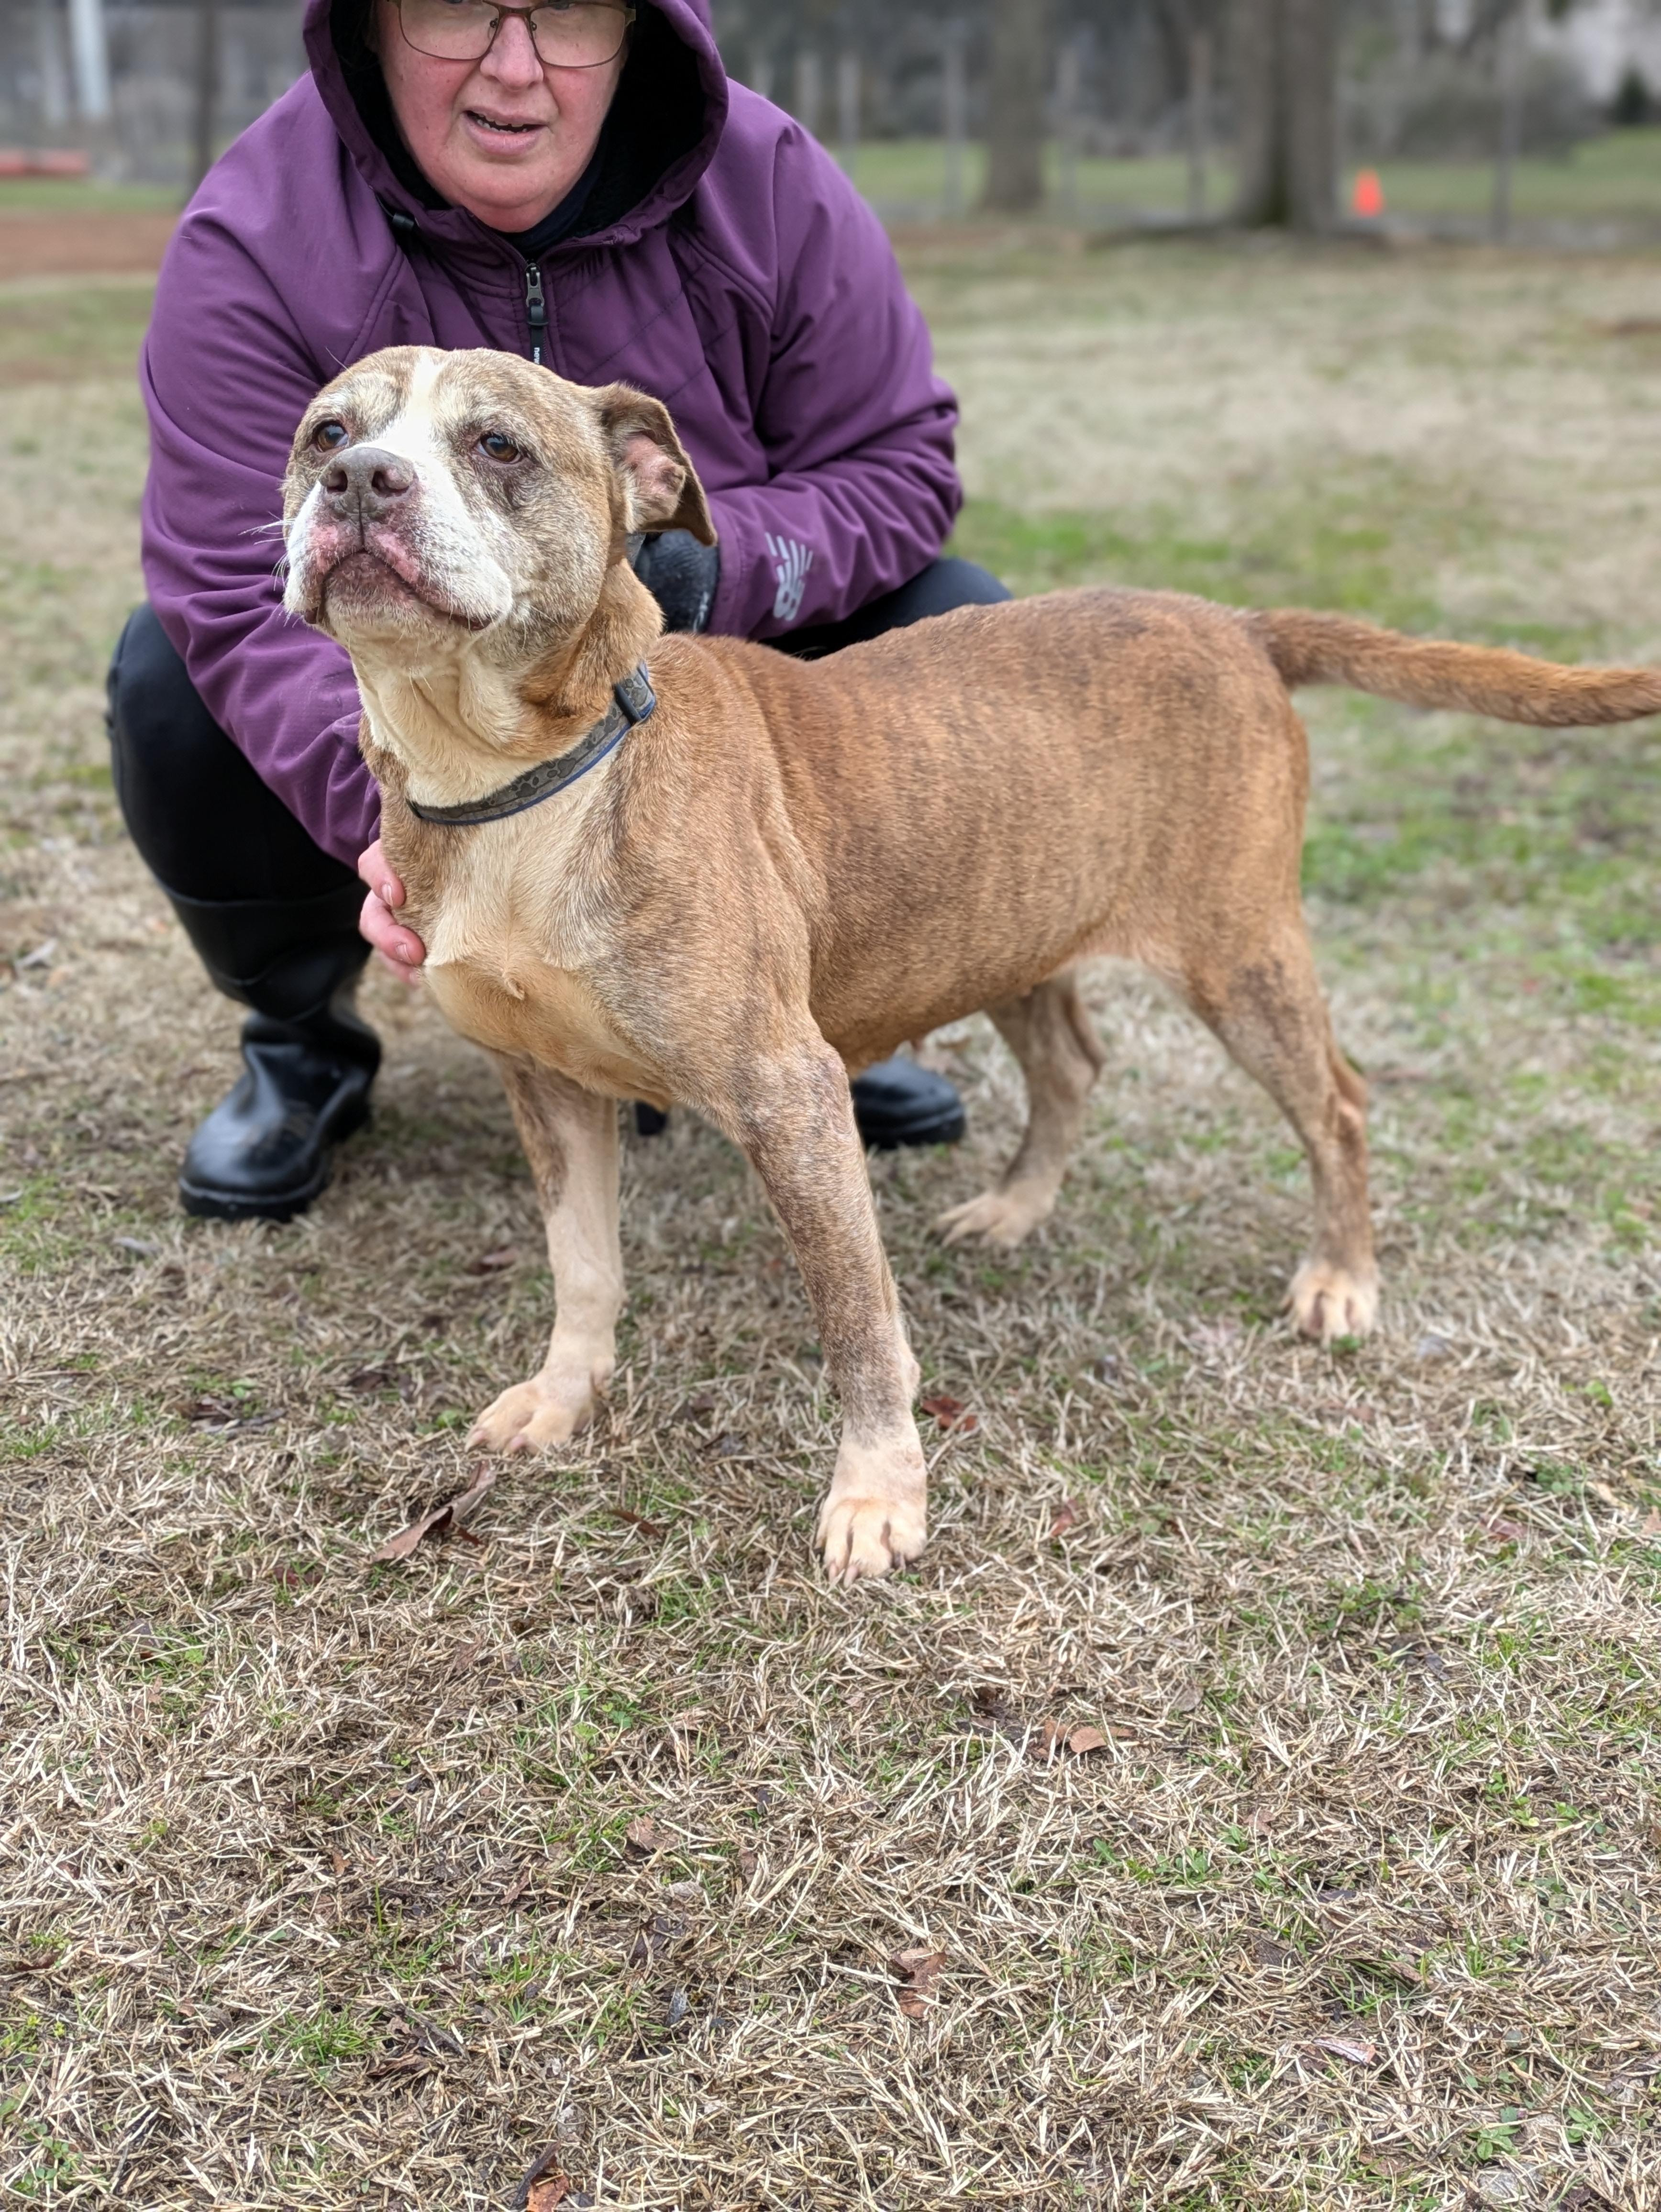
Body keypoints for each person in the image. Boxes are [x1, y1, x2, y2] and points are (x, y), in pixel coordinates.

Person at [108, 0, 1009, 1221]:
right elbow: (226, 568)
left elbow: (898, 461)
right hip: (415, 699)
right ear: (371, 25)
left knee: (949, 614)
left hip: (718, 661)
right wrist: (383, 808)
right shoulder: (257, 227)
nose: (515, 69)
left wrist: (716, 562)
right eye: (456, 12)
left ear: (639, 32)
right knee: (169, 677)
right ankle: (300, 1029)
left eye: (571, 14)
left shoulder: (770, 179)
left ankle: (822, 996)